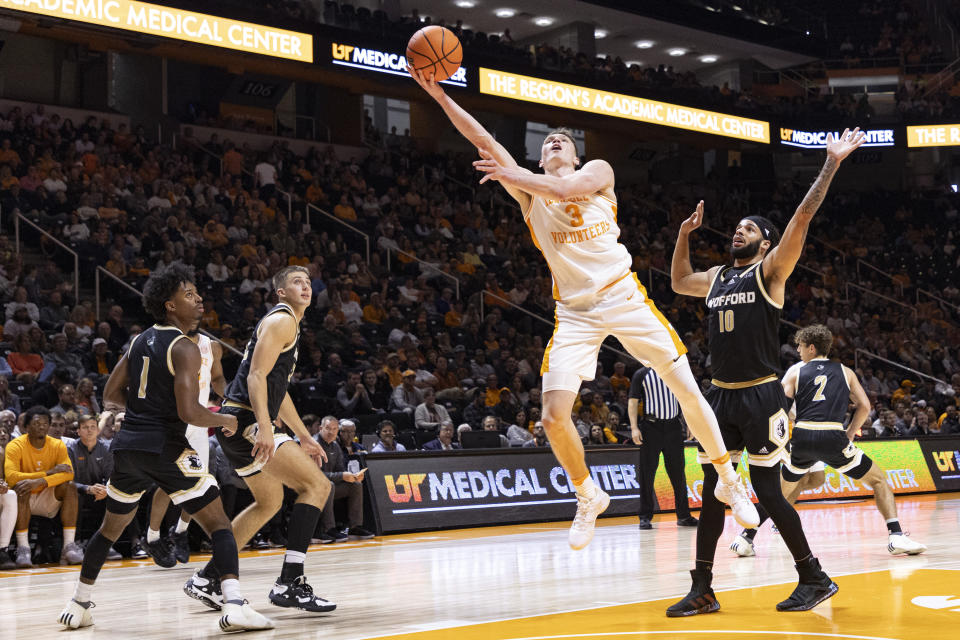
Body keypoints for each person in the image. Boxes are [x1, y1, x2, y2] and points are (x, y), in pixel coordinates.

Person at [411, 68, 756, 551]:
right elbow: (482, 137)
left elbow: (565, 191)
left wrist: (512, 173)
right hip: (573, 312)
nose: (555, 141)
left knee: (683, 387)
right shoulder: (529, 192)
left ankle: (726, 476)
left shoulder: (598, 173)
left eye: (562, 140)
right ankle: (587, 494)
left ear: (575, 154)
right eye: (548, 141)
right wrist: (439, 96)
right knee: (552, 416)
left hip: (623, 295)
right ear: (539, 157)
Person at [667, 128, 865, 616]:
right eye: (736, 227)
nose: (738, 231)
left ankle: (813, 576)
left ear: (766, 242)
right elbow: (676, 282)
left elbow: (802, 216)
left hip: (760, 396)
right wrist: (682, 236)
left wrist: (831, 164)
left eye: (749, 228)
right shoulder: (717, 277)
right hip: (721, 397)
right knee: (717, 489)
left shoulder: (770, 271)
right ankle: (703, 587)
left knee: (768, 491)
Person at [58, 264, 272, 631]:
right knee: (220, 524)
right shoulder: (185, 347)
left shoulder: (139, 340)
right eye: (189, 294)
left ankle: (78, 604)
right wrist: (226, 420)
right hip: (166, 446)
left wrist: (142, 413)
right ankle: (234, 604)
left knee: (110, 529)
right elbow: (190, 411)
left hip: (128, 449)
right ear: (169, 305)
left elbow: (110, 394)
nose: (199, 298)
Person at [185, 265, 335, 616]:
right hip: (247, 419)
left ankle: (208, 578)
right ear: (280, 292)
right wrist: (266, 428)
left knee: (269, 502)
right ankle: (290, 583)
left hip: (240, 422)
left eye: (309, 282)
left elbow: (276, 390)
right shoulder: (282, 320)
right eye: (296, 282)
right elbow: (254, 377)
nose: (305, 286)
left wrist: (303, 436)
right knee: (317, 486)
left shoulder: (289, 325)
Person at [731, 325, 926, 558]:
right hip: (833, 436)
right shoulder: (846, 372)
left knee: (778, 494)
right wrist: (851, 431)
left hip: (802, 437)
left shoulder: (795, 372)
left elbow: (779, 411)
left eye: (801, 347)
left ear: (811, 348)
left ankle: (746, 538)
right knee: (879, 481)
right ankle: (896, 536)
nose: (798, 351)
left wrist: (778, 442)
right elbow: (865, 406)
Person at [147, 329, 226, 566]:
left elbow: (218, 378)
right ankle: (151, 537)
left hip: (197, 423)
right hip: (171, 423)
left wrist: (231, 399)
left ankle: (180, 531)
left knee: (198, 482)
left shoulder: (212, 346)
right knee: (166, 485)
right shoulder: (168, 344)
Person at [6, 405, 82, 568]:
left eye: (45, 423)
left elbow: (68, 473)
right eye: (36, 423)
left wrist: (39, 481)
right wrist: (48, 473)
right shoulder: (15, 446)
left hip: (47, 498)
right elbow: (11, 477)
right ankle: (23, 548)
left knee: (70, 487)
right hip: (23, 499)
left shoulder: (57, 445)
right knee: (22, 487)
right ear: (26, 427)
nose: (41, 426)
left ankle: (69, 546)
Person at [628, 366, 697, 530]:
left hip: (673, 427)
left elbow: (685, 398)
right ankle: (645, 517)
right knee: (647, 474)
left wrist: (690, 423)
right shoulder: (641, 374)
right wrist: (634, 428)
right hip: (651, 428)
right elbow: (633, 401)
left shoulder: (676, 372)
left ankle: (684, 516)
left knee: (678, 473)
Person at [316, 416, 375, 542]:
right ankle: (328, 528)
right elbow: (316, 476)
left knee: (356, 485)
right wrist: (343, 476)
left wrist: (352, 477)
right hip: (312, 487)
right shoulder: (314, 445)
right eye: (328, 428)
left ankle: (354, 527)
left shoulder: (335, 446)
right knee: (329, 485)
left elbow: (340, 470)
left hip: (330, 486)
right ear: (320, 428)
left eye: (334, 429)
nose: (331, 432)